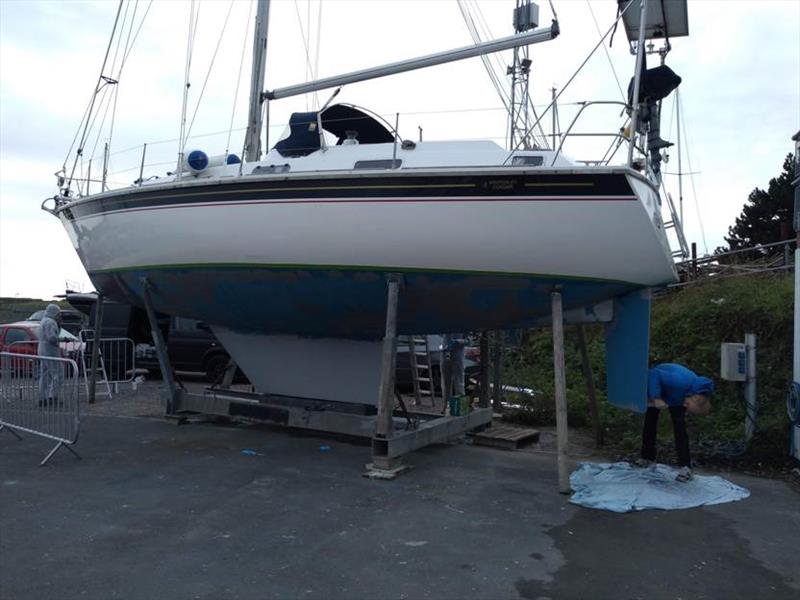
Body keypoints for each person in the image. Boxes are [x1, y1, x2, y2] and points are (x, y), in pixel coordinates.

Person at [638, 363, 714, 482]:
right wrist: (656, 397)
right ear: (696, 399)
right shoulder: (680, 382)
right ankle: (647, 458)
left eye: (687, 407)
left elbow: (685, 404)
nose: (685, 407)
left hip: (677, 395)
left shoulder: (693, 394)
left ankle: (686, 467)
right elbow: (653, 373)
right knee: (650, 420)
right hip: (659, 384)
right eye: (687, 405)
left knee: (680, 427)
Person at [38, 303, 63, 407]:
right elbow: (52, 337)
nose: (59, 315)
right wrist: (63, 339)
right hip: (50, 350)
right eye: (58, 313)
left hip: (42, 349)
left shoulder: (43, 321)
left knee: (44, 375)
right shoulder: (51, 322)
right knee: (58, 373)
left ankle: (42, 397)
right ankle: (53, 396)